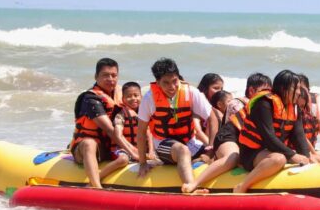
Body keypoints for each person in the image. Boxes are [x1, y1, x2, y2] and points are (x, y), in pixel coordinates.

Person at [181, 73, 272, 193]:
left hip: (246, 143)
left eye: (270, 92)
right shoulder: (237, 104)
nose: (268, 95)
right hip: (229, 137)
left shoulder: (266, 106)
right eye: (264, 91)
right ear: (251, 90)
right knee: (233, 157)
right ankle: (194, 183)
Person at [136, 58, 212, 193]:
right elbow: (141, 132)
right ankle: (191, 188)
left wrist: (212, 146)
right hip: (164, 145)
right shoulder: (149, 99)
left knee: (220, 150)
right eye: (166, 83)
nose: (172, 87)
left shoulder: (191, 92)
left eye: (174, 81)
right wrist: (142, 163)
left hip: (190, 142)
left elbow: (213, 118)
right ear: (157, 82)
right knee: (182, 150)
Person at [234, 70, 310, 193]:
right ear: (283, 88)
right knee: (279, 159)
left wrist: (307, 158)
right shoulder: (264, 104)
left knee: (311, 157)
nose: (298, 92)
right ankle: (241, 186)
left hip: (273, 151)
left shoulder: (294, 108)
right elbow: (268, 137)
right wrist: (293, 155)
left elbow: (299, 136)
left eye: (299, 88)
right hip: (252, 153)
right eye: (295, 88)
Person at [69, 58, 137, 188]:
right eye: (105, 75)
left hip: (111, 147)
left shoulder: (123, 94)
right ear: (96, 76)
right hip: (85, 149)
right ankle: (96, 187)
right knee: (89, 143)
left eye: (114, 75)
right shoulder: (90, 98)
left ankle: (95, 180)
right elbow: (110, 130)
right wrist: (133, 152)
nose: (110, 79)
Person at [112, 81, 155, 162]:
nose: (133, 98)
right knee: (123, 160)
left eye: (136, 95)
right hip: (125, 150)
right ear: (123, 99)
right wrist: (133, 154)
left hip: (142, 151)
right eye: (129, 96)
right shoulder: (120, 115)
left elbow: (149, 134)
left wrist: (151, 151)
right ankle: (100, 171)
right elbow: (118, 135)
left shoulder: (146, 113)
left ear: (141, 97)